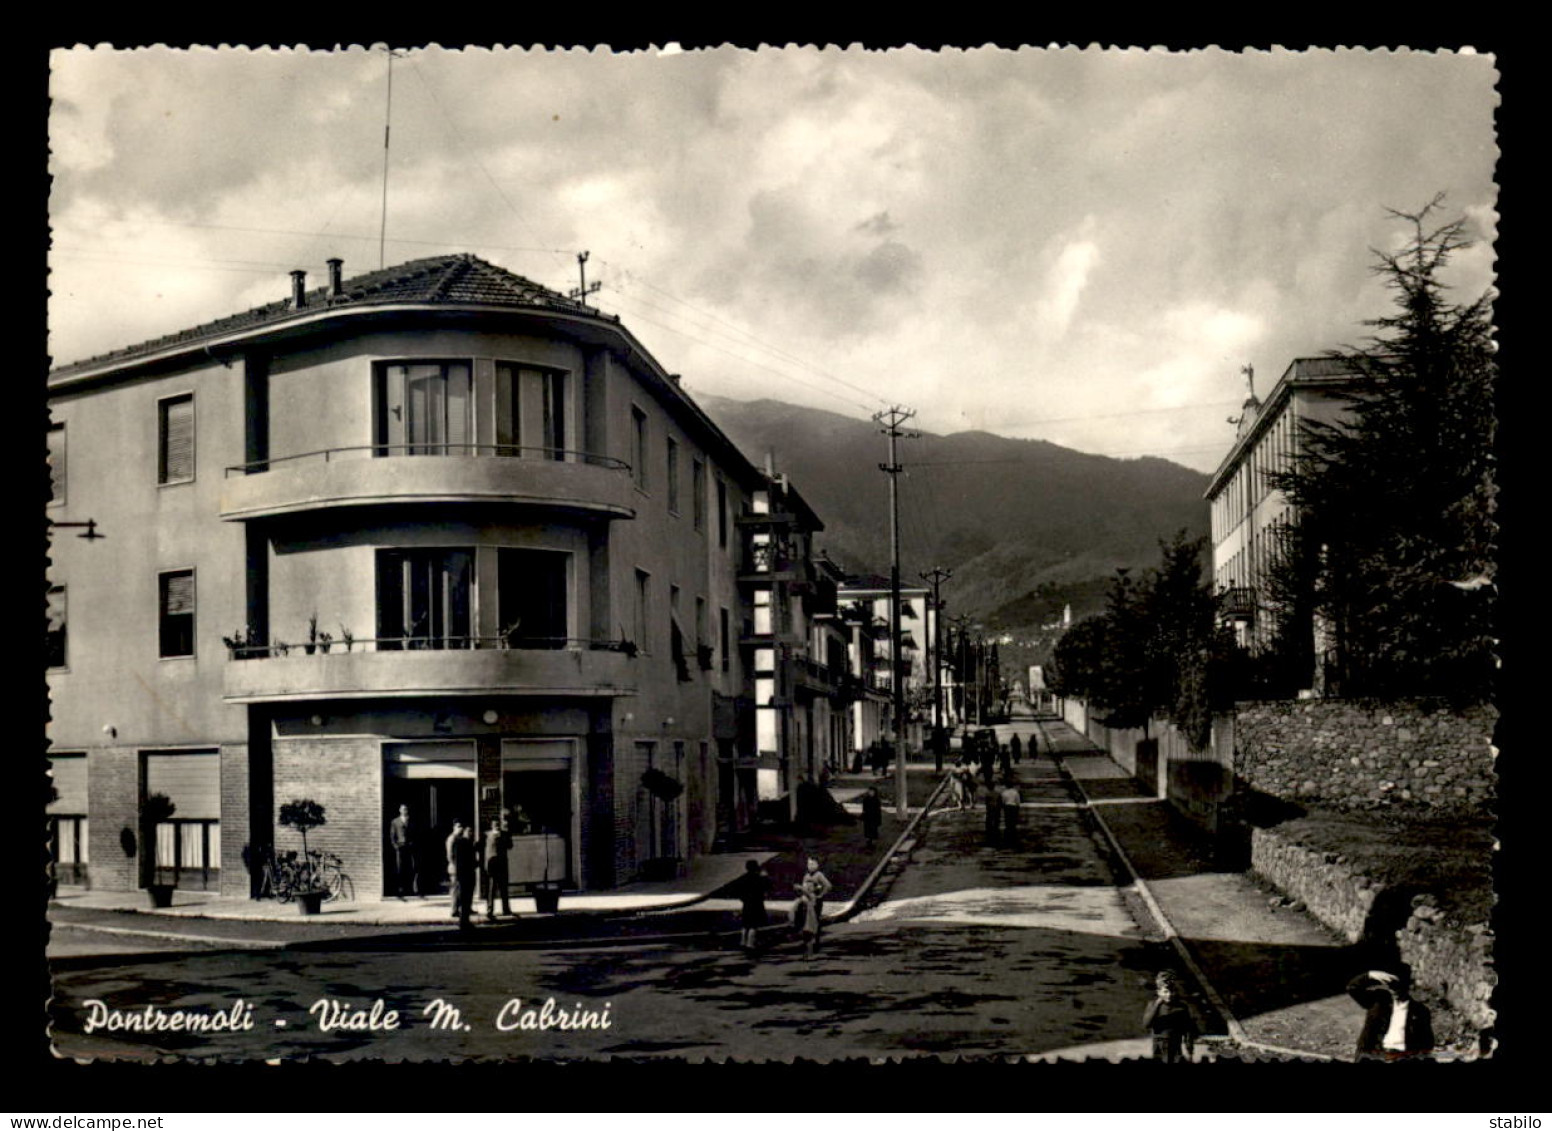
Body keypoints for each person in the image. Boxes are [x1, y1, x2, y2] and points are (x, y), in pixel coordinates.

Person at [1347, 968, 1434, 1060]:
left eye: (1399, 985)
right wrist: (1371, 975)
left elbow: (1427, 1043)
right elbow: (1353, 988)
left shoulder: (1420, 1011)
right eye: (1390, 985)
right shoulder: (1379, 1000)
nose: (1394, 989)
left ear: (1408, 986)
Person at [1143, 971, 1199, 1063]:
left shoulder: (1181, 1007)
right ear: (1158, 992)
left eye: (1172, 991)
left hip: (1175, 1044)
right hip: (1158, 1045)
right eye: (1165, 991)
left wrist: (1190, 1050)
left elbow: (1188, 1029)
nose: (1169, 994)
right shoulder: (1153, 1005)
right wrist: (1157, 1004)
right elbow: (1146, 1024)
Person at [733, 859, 770, 952]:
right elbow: (766, 888)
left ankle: (743, 941)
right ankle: (750, 944)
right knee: (754, 925)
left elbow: (738, 891)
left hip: (746, 904)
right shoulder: (759, 878)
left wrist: (743, 899)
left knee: (745, 925)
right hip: (757, 904)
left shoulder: (743, 878)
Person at [447, 821, 477, 930]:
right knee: (463, 897)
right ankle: (463, 920)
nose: (471, 833)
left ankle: (465, 920)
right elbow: (456, 859)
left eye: (471, 831)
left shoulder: (468, 843)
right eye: (468, 831)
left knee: (467, 898)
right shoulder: (459, 843)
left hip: (468, 873)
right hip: (463, 874)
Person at [799, 856, 833, 953]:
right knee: (806, 921)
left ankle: (815, 942)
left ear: (817, 865)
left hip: (815, 901)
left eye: (812, 864)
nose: (810, 866)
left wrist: (821, 895)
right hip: (806, 901)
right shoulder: (806, 876)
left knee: (814, 921)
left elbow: (828, 886)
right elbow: (803, 887)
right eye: (808, 864)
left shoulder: (819, 875)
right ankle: (808, 942)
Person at [483, 818, 513, 919]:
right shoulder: (487, 835)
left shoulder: (505, 834)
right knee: (491, 889)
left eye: (498, 824)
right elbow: (480, 847)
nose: (497, 826)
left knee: (504, 888)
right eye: (495, 824)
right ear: (491, 826)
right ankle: (490, 910)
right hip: (492, 866)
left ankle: (506, 909)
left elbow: (510, 846)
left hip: (502, 864)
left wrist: (505, 836)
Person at [388, 803, 418, 898]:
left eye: (406, 809)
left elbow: (415, 833)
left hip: (410, 847)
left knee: (411, 867)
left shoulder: (411, 821)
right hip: (400, 848)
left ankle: (411, 888)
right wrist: (395, 846)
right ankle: (400, 889)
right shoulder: (395, 822)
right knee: (400, 868)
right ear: (400, 810)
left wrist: (413, 843)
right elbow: (392, 836)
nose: (404, 811)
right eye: (403, 809)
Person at [999, 775, 1021, 846]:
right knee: (1013, 823)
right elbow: (1018, 801)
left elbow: (1002, 801)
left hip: (1007, 807)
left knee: (1007, 822)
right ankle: (1013, 837)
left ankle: (1007, 837)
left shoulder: (1004, 793)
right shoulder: (1015, 792)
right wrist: (1017, 808)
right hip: (1013, 807)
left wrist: (1002, 807)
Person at [983, 774, 1002, 846]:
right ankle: (996, 832)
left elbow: (986, 802)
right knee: (996, 820)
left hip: (990, 808)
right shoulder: (997, 793)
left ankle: (989, 833)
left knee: (989, 821)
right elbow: (1000, 802)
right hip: (996, 808)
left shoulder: (988, 794)